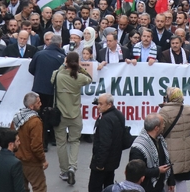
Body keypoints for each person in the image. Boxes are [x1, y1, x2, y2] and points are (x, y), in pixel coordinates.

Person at [53, 51, 92, 185]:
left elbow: (52, 79)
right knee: (75, 141)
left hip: (60, 114)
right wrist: (79, 67)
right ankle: (72, 167)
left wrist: (63, 65)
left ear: (66, 62)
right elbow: (89, 78)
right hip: (75, 114)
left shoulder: (58, 75)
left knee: (61, 143)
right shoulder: (79, 77)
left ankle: (64, 170)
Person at [29, 34, 65, 150]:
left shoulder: (39, 54)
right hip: (53, 89)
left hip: (39, 89)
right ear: (60, 44)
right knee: (53, 113)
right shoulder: (61, 57)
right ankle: (52, 138)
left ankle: (42, 142)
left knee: (41, 116)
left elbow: (31, 69)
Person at [158, 88, 190, 192]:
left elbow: (160, 129)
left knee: (168, 180)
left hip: (170, 150)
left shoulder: (164, 111)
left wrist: (164, 107)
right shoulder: (188, 109)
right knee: (182, 180)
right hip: (185, 150)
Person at [89, 93, 126, 192]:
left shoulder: (106, 119)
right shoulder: (118, 114)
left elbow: (105, 143)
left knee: (94, 187)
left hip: (103, 163)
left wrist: (99, 164)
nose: (98, 107)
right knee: (108, 187)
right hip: (112, 162)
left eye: (101, 104)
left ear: (109, 104)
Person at [11, 92, 47, 192]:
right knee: (39, 188)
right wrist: (43, 160)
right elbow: (36, 146)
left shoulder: (17, 117)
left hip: (17, 159)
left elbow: (11, 137)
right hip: (32, 162)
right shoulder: (35, 122)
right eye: (38, 103)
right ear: (31, 106)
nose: (41, 104)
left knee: (22, 188)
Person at [129, 114, 174, 192]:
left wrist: (171, 181)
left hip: (159, 187)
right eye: (162, 124)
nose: (164, 126)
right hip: (145, 188)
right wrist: (157, 171)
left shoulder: (160, 140)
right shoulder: (138, 147)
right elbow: (137, 170)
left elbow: (166, 160)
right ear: (156, 128)